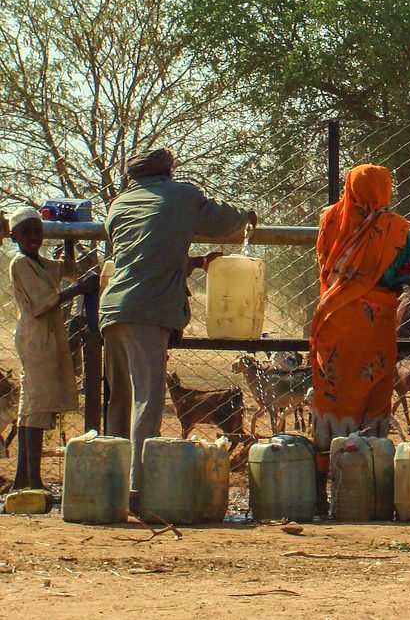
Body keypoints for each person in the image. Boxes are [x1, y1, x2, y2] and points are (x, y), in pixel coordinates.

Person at [99, 148, 254, 501]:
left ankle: (109, 486)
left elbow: (145, 257)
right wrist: (245, 215)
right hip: (148, 312)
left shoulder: (119, 205)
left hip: (112, 309)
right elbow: (221, 221)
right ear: (168, 171)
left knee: (120, 401)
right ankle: (139, 489)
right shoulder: (182, 195)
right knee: (148, 402)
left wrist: (197, 262)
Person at [309, 164, 410, 502]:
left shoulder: (329, 220)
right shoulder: (395, 230)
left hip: (335, 319)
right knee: (373, 388)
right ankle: (366, 486)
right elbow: (403, 279)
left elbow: (324, 263)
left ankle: (318, 486)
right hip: (375, 324)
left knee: (333, 393)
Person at [6, 208, 98, 491]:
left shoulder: (39, 262)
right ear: (14, 237)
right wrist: (78, 290)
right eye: (27, 233)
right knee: (37, 405)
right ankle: (31, 478)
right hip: (36, 338)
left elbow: (67, 270)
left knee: (34, 406)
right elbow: (43, 302)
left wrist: (70, 239)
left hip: (47, 337)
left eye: (37, 231)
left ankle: (26, 477)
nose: (34, 237)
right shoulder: (21, 263)